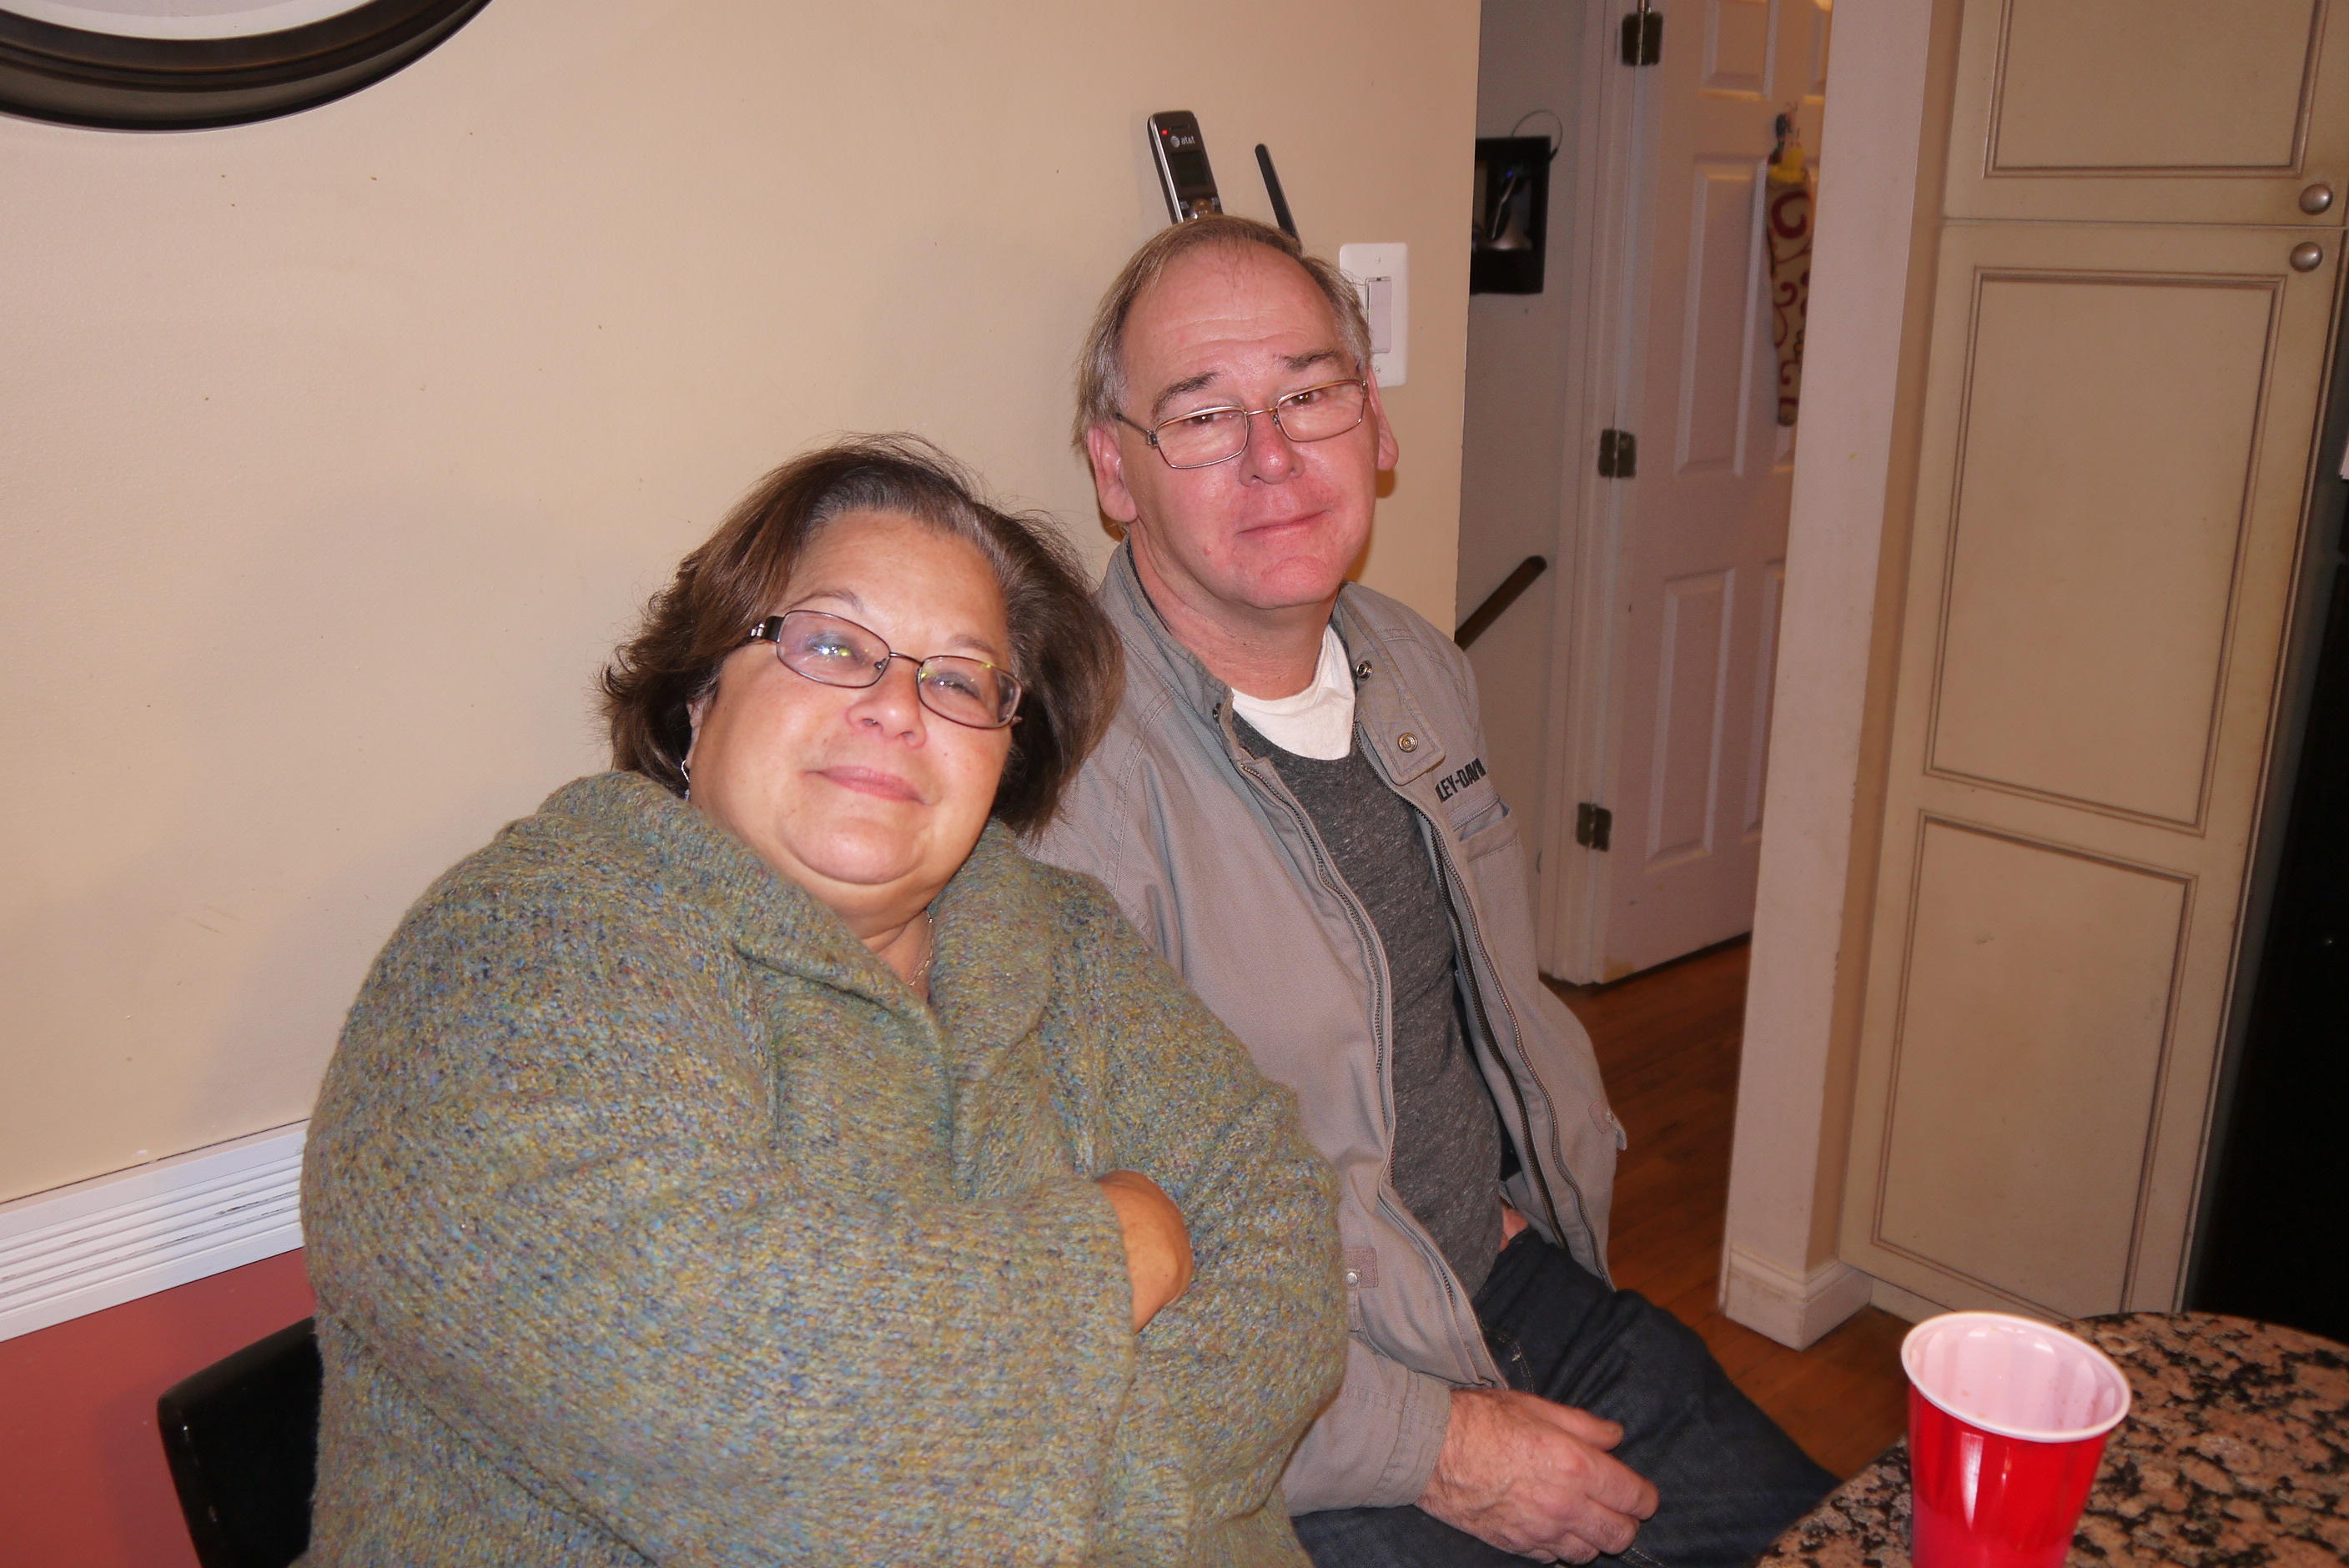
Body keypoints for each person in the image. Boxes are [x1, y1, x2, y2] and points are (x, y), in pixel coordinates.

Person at [299, 435, 1348, 1566]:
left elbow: (1280, 1241)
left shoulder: (1067, 940)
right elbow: (736, 1389)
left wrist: (1056, 1481)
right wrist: (1115, 1252)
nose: (898, 706)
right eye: (834, 644)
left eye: (959, 679)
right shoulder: (516, 953)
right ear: (700, 694)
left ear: (1006, 751)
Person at [1031, 218, 1835, 1567]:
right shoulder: (1055, 788)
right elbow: (1083, 1294)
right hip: (1303, 1421)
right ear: (1116, 472)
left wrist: (1509, 1212)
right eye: (1205, 416)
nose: (1273, 455)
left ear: (1376, 425)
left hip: (1511, 1286)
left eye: (1309, 393)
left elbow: (1458, 1013)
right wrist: (1440, 1448)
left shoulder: (1412, 663)